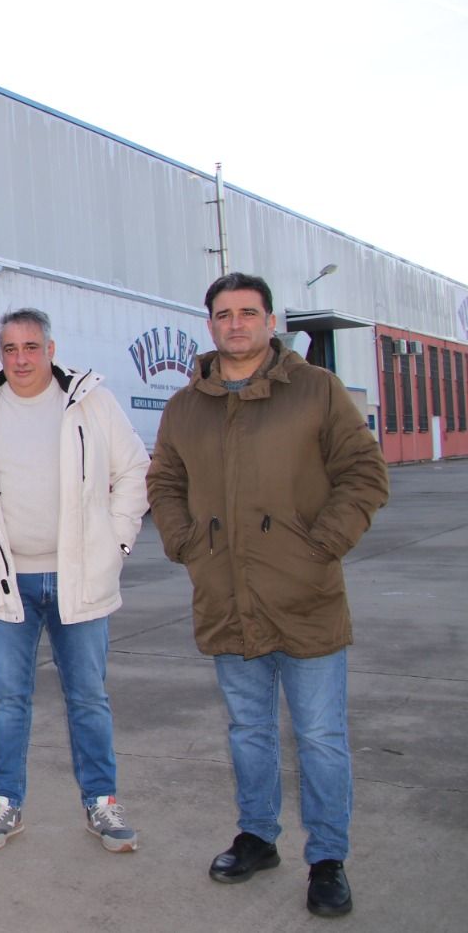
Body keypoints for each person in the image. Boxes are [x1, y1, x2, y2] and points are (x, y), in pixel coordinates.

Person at [147, 273, 388, 918]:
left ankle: (329, 858)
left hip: (305, 597)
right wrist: (184, 541)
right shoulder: (185, 406)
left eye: (248, 312)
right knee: (249, 731)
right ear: (210, 325)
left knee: (319, 736)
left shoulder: (316, 391)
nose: (236, 324)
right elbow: (164, 479)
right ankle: (257, 837)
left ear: (270, 320)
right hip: (226, 597)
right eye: (224, 314)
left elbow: (364, 472)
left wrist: (320, 545)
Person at [0, 308, 150, 853]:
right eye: (9, 349)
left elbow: (133, 471)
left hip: (80, 581)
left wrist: (115, 546)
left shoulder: (90, 401)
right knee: (8, 699)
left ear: (51, 349)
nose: (20, 358)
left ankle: (102, 803)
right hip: (8, 585)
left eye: (31, 347)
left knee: (89, 698)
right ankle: (5, 805)